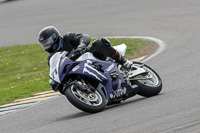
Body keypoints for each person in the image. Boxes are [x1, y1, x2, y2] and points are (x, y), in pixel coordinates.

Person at [38, 26, 133, 91]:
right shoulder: (50, 58)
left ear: (54, 37)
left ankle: (124, 62)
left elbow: (84, 36)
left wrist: (81, 45)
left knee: (100, 42)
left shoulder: (67, 38)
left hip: (92, 56)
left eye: (47, 42)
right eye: (44, 44)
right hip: (78, 70)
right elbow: (56, 70)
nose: (46, 46)